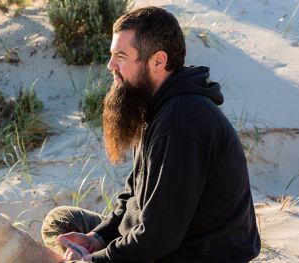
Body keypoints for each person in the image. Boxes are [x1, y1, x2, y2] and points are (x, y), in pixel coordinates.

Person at [41, 6, 261, 262]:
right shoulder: (158, 105)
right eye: (112, 55)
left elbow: (158, 238)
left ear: (158, 61)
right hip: (158, 241)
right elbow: (133, 197)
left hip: (189, 254)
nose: (111, 65)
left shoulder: (182, 121)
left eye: (121, 56)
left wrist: (96, 260)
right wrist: (98, 238)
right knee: (61, 221)